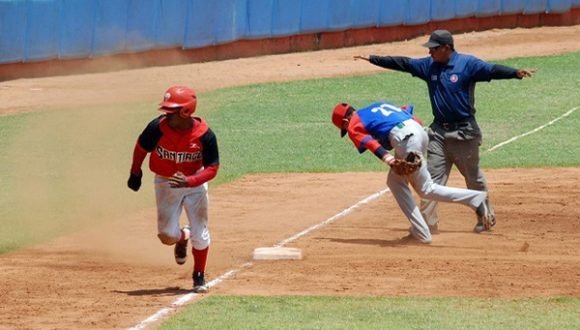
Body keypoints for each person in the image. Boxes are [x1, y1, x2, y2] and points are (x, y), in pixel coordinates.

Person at [353, 29, 535, 233]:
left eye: (434, 48)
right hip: (438, 134)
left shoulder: (468, 64)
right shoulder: (428, 66)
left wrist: (514, 73)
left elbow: (491, 70)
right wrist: (372, 59)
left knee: (472, 177)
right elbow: (403, 63)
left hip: (464, 133)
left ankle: (484, 215)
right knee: (431, 179)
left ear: (447, 48)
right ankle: (428, 225)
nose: (430, 53)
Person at [331, 101, 493, 243]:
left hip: (405, 140)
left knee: (426, 189)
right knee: (395, 181)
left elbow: (369, 143)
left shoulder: (353, 123)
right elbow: (407, 111)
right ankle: (420, 231)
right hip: (418, 132)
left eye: (344, 127)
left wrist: (389, 160)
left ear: (345, 120)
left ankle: (474, 199)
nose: (347, 130)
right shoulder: (375, 108)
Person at [127, 86, 219, 293]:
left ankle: (199, 276)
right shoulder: (157, 128)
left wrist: (192, 180)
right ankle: (183, 237)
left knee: (201, 232)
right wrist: (135, 172)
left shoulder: (205, 135)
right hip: (166, 183)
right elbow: (141, 148)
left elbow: (213, 168)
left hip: (194, 183)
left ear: (186, 112)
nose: (167, 115)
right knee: (166, 235)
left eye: (171, 111)